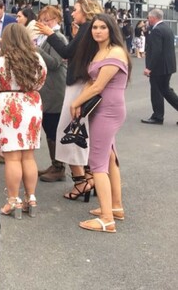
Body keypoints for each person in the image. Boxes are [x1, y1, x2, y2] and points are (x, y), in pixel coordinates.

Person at [35, 0, 103, 201]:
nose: (72, 13)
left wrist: (49, 34)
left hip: (78, 85)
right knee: (82, 134)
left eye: (76, 9)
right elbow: (73, 53)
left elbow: (65, 53)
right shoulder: (89, 29)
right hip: (84, 83)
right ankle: (90, 178)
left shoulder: (87, 28)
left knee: (69, 134)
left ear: (86, 11)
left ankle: (81, 181)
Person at [69, 13, 131, 233]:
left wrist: (75, 102)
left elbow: (98, 86)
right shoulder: (101, 51)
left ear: (111, 29)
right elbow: (92, 81)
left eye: (103, 27)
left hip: (108, 111)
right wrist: (79, 102)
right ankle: (115, 207)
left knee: (97, 163)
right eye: (95, 27)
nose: (97, 31)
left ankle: (106, 219)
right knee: (110, 158)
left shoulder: (116, 51)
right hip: (101, 110)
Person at [0, 24, 47, 219]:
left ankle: (13, 201)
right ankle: (31, 198)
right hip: (31, 103)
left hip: (7, 104)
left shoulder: (0, 60)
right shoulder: (37, 58)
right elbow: (41, 81)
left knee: (12, 157)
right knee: (28, 156)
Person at [35, 6, 68, 182]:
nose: (44, 23)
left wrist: (36, 50)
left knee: (53, 127)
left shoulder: (58, 37)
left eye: (48, 20)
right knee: (49, 127)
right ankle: (55, 164)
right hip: (48, 88)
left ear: (57, 20)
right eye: (42, 19)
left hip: (55, 88)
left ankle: (59, 167)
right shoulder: (45, 37)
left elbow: (55, 63)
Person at [141, 9, 178, 125]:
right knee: (166, 90)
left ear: (153, 18)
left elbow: (156, 51)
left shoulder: (157, 30)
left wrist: (149, 67)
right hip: (167, 65)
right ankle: (158, 115)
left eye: (148, 17)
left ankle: (157, 116)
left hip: (159, 67)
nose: (148, 20)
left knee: (156, 91)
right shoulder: (166, 28)